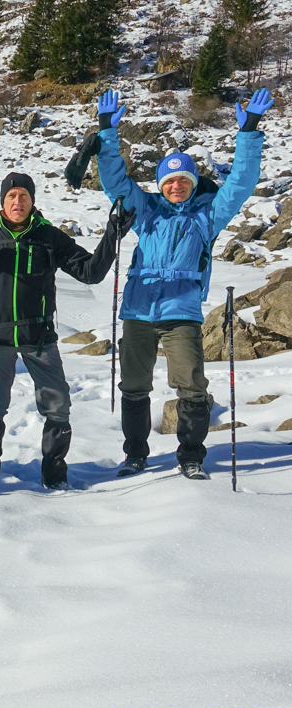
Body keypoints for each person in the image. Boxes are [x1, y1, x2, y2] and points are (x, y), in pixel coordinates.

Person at [94, 88, 270, 479]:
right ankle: (135, 455)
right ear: (161, 184)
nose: (176, 185)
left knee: (191, 386)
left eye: (184, 180)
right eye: (170, 180)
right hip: (138, 310)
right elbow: (116, 182)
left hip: (182, 314)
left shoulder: (207, 217)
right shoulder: (146, 211)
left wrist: (250, 133)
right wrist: (107, 130)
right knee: (134, 387)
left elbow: (240, 184)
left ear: (192, 184)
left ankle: (191, 456)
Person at [0, 176, 134, 489]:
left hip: (40, 338)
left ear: (32, 201)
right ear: (2, 202)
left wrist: (112, 234)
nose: (17, 202)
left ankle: (54, 474)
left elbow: (91, 273)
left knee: (58, 405)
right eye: (11, 196)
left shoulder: (49, 238)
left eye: (23, 196)